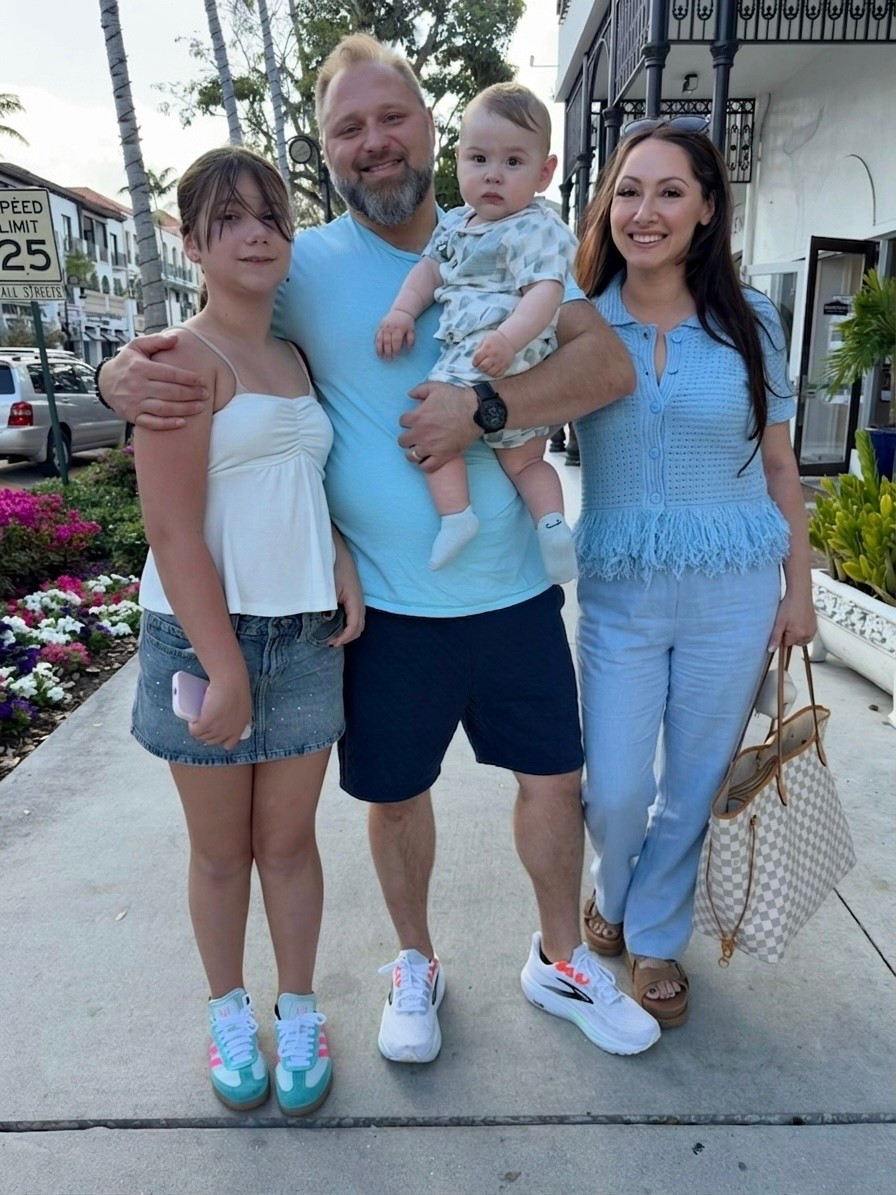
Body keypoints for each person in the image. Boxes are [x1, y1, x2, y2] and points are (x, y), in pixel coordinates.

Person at [97, 34, 661, 1060]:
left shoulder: (515, 234)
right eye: (346, 128)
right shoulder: (301, 263)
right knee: (394, 796)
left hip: (512, 589)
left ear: (430, 128)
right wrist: (114, 377)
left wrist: (484, 407)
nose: (371, 142)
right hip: (388, 608)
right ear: (325, 152)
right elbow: (211, 326)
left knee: (552, 783)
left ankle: (556, 957)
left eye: (389, 117)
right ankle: (415, 960)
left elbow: (606, 367)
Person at [129, 145, 364, 1114]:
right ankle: (230, 1011)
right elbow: (173, 530)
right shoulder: (178, 358)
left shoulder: (293, 353)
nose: (256, 232)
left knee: (292, 844)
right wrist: (223, 667)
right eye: (229, 218)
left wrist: (338, 560)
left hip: (304, 631)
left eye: (270, 214)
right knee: (222, 851)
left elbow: (298, 478)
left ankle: (298, 1007)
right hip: (202, 639)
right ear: (192, 242)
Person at [572, 118, 816, 1028]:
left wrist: (799, 590)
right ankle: (614, 883)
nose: (646, 210)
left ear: (708, 209)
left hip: (734, 589)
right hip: (622, 594)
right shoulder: (577, 316)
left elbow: (782, 467)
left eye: (671, 191)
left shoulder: (750, 321)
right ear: (609, 205)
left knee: (698, 778)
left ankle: (655, 934)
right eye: (629, 190)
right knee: (618, 784)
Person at [376, 82, 577, 583]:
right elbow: (428, 273)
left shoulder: (536, 226)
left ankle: (457, 516)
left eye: (513, 163)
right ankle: (551, 527)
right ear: (458, 159)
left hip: (494, 349)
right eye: (479, 159)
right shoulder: (455, 226)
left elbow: (545, 293)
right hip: (497, 351)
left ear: (544, 172)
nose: (493, 175)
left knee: (431, 428)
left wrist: (508, 340)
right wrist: (402, 311)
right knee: (525, 461)